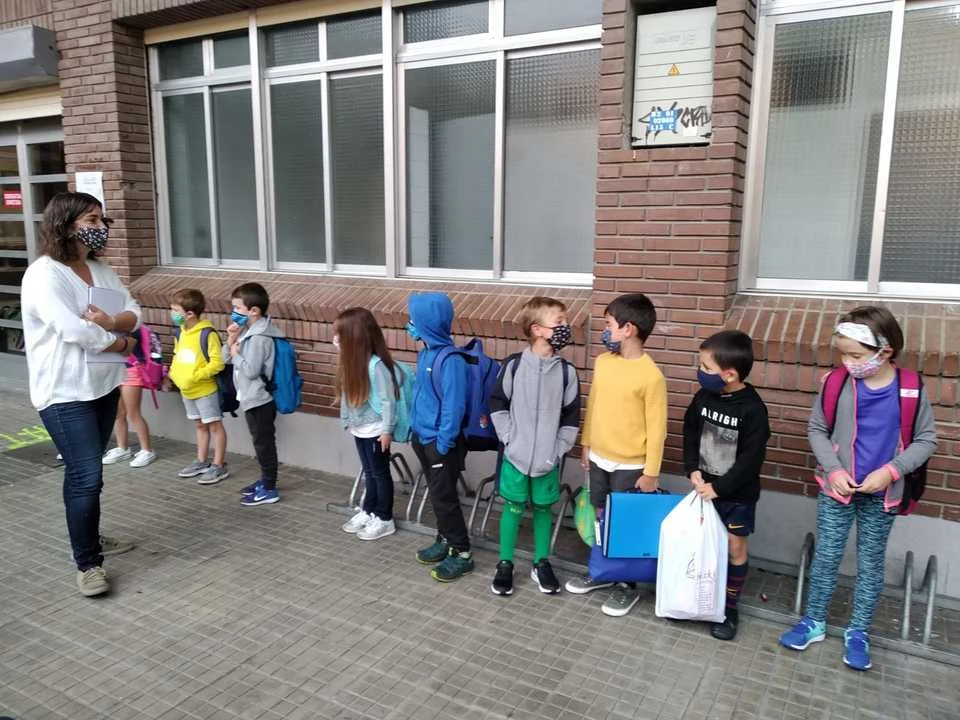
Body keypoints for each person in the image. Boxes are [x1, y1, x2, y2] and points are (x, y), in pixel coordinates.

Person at [779, 307, 936, 671]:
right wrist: (833, 470)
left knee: (870, 562)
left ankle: (859, 631)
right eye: (843, 354)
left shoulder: (910, 388)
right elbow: (817, 428)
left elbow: (926, 439)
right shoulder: (836, 383)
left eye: (855, 355)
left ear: (885, 351)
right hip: (838, 489)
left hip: (883, 494)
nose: (848, 362)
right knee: (827, 555)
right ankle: (814, 621)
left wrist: (891, 471)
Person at [21, 191, 140, 597]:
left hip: (103, 385)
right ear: (65, 224)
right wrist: (121, 342)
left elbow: (135, 312)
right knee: (86, 476)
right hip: (64, 393)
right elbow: (72, 330)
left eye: (102, 220)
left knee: (89, 476)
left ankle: (88, 534)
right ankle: (88, 563)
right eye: (92, 220)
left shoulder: (102, 270)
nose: (101, 228)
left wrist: (114, 322)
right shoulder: (44, 275)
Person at [565, 293, 667, 618]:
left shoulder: (651, 376)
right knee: (600, 516)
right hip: (599, 458)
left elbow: (658, 429)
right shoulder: (604, 362)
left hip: (632, 465)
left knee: (624, 524)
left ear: (629, 329)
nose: (605, 331)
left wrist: (651, 473)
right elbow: (594, 404)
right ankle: (602, 572)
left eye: (609, 324)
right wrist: (586, 443)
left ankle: (627, 585)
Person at [488, 297, 580, 596]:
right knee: (513, 507)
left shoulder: (567, 372)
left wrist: (558, 449)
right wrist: (509, 438)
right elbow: (498, 403)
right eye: (559, 322)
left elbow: (571, 416)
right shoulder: (513, 366)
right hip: (515, 456)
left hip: (547, 459)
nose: (566, 327)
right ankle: (505, 563)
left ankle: (541, 562)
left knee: (543, 508)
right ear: (537, 329)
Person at [683, 330, 770, 641]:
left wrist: (720, 488)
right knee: (704, 544)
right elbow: (690, 431)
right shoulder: (703, 397)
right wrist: (692, 469)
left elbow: (750, 460)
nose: (700, 372)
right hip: (703, 491)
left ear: (729, 374)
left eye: (706, 367)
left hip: (736, 496)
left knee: (734, 547)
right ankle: (699, 597)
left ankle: (729, 608)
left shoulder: (753, 410)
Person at [407, 292, 472, 582]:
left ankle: (462, 553)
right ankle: (444, 539)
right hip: (423, 438)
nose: (409, 325)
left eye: (413, 320)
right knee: (436, 494)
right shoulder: (426, 354)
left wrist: (443, 443)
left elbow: (454, 406)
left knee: (445, 498)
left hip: (440, 444)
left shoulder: (451, 360)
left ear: (428, 323)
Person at [336, 307, 402, 541]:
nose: (336, 339)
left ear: (354, 337)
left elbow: (388, 401)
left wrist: (387, 430)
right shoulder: (350, 364)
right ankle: (369, 510)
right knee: (369, 472)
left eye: (340, 334)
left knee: (379, 474)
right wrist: (347, 420)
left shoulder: (376, 366)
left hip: (376, 430)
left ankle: (384, 518)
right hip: (360, 429)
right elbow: (346, 396)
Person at [224, 282, 285, 507]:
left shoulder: (260, 337)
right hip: (249, 396)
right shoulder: (247, 332)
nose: (234, 312)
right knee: (260, 441)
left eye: (237, 308)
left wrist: (235, 355)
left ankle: (269, 487)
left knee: (264, 443)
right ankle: (265, 479)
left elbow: (251, 370)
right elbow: (224, 359)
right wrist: (231, 339)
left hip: (260, 398)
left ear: (254, 311)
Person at [167, 289, 229, 485]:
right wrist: (174, 374)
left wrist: (196, 376)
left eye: (175, 310)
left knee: (214, 426)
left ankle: (218, 465)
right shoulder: (180, 332)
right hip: (187, 390)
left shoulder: (207, 334)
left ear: (190, 313)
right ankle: (201, 461)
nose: (172, 314)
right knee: (200, 425)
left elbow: (217, 363)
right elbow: (178, 355)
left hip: (204, 390)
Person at [101, 331, 159, 468]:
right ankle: (122, 448)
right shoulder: (113, 327)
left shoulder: (134, 329)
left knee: (133, 413)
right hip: (115, 370)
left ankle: (147, 450)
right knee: (118, 413)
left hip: (132, 371)